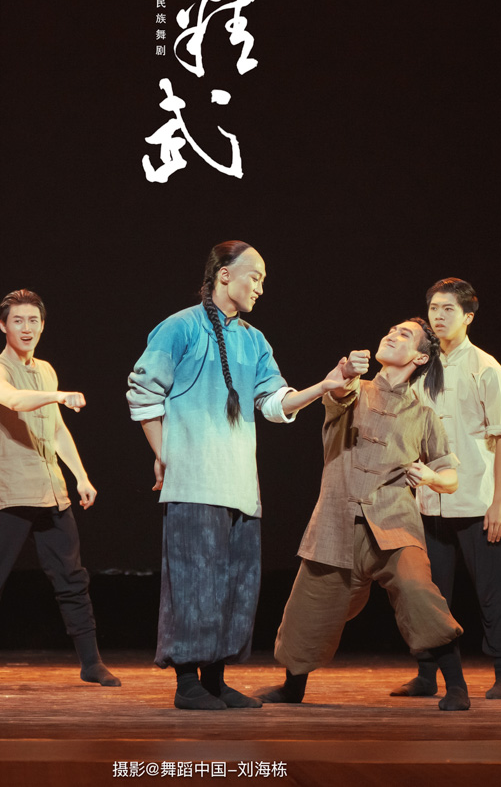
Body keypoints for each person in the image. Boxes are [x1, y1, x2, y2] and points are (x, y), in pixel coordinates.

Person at [127, 241, 354, 711]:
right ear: (224, 274)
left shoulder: (254, 340)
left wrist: (324, 385)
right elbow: (143, 390)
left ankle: (215, 680)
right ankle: (187, 683)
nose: (260, 287)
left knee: (235, 584)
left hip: (239, 484)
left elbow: (272, 402)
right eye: (256, 276)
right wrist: (164, 454)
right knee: (193, 583)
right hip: (194, 480)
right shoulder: (180, 327)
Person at [256, 317, 473, 711]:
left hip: (394, 524)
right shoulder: (356, 391)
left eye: (404, 335)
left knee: (420, 594)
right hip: (336, 521)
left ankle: (456, 685)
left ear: (421, 357)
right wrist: (345, 374)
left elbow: (451, 476)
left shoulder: (423, 415)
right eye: (391, 330)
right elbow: (338, 393)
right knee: (308, 608)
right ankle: (292, 687)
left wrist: (431, 477)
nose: (392, 335)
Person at [0, 290, 120, 689]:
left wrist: (81, 476)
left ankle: (91, 662)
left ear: (42, 325)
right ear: (3, 325)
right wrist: (56, 395)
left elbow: (56, 429)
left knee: (73, 579)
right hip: (8, 492)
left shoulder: (45, 369)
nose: (26, 328)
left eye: (33, 321)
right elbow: (10, 398)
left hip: (51, 491)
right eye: (18, 321)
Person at [391, 279, 501, 701]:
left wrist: (500, 500)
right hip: (430, 502)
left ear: (468, 316)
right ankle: (428, 674)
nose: (439, 316)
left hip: (477, 500)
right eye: (433, 308)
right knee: (430, 594)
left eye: (448, 309)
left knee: (492, 593)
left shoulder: (486, 367)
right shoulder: (424, 368)